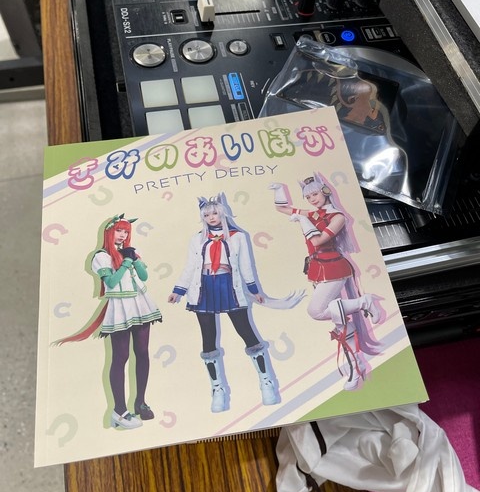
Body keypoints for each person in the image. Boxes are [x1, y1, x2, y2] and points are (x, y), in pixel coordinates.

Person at [269, 174, 383, 391]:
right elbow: (282, 208)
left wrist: (303, 220)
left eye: (314, 194)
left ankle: (364, 302)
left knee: (315, 311)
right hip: (316, 268)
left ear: (325, 192)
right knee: (340, 323)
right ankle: (356, 363)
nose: (312, 199)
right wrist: (278, 190)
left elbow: (318, 240)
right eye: (308, 196)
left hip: (333, 267)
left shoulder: (337, 217)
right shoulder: (313, 213)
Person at [167, 195, 279, 413]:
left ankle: (267, 383)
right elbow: (190, 266)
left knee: (246, 332)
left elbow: (246, 265)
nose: (211, 218)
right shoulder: (197, 239)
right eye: (207, 215)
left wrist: (254, 290)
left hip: (229, 285)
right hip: (204, 287)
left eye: (215, 213)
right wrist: (178, 290)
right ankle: (218, 390)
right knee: (208, 338)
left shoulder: (238, 237)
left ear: (222, 213)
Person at [56, 213, 163, 429]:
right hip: (120, 308)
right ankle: (119, 411)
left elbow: (144, 277)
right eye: (118, 230)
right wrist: (126, 262)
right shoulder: (101, 256)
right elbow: (112, 283)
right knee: (121, 357)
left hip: (140, 304)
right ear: (109, 232)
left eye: (125, 231)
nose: (122, 235)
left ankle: (140, 402)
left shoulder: (130, 251)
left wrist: (134, 259)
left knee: (142, 352)